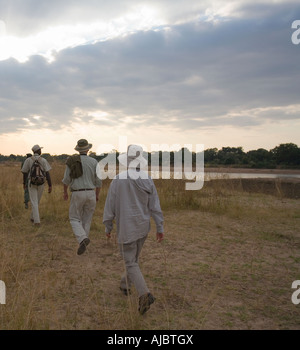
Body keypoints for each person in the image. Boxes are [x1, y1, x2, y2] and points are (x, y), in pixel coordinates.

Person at [103, 144, 164, 315]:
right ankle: (125, 285)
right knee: (133, 259)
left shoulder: (118, 179)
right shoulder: (147, 179)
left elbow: (110, 207)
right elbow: (155, 206)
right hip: (143, 228)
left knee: (130, 261)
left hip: (127, 228)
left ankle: (144, 294)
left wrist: (108, 225)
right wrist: (160, 226)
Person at [62, 139, 102, 255]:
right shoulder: (94, 162)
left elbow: (66, 180)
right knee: (87, 218)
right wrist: (97, 194)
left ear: (78, 149)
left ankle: (82, 239)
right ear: (88, 149)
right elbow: (98, 181)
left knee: (74, 218)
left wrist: (65, 192)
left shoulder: (72, 161)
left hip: (77, 192)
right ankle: (83, 240)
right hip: (91, 192)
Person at [21, 145, 52, 226]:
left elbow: (24, 172)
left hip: (31, 183)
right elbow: (47, 173)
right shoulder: (43, 160)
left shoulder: (28, 160)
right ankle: (36, 221)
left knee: (34, 202)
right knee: (36, 201)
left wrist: (24, 183)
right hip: (41, 183)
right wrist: (50, 185)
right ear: (38, 151)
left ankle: (33, 218)